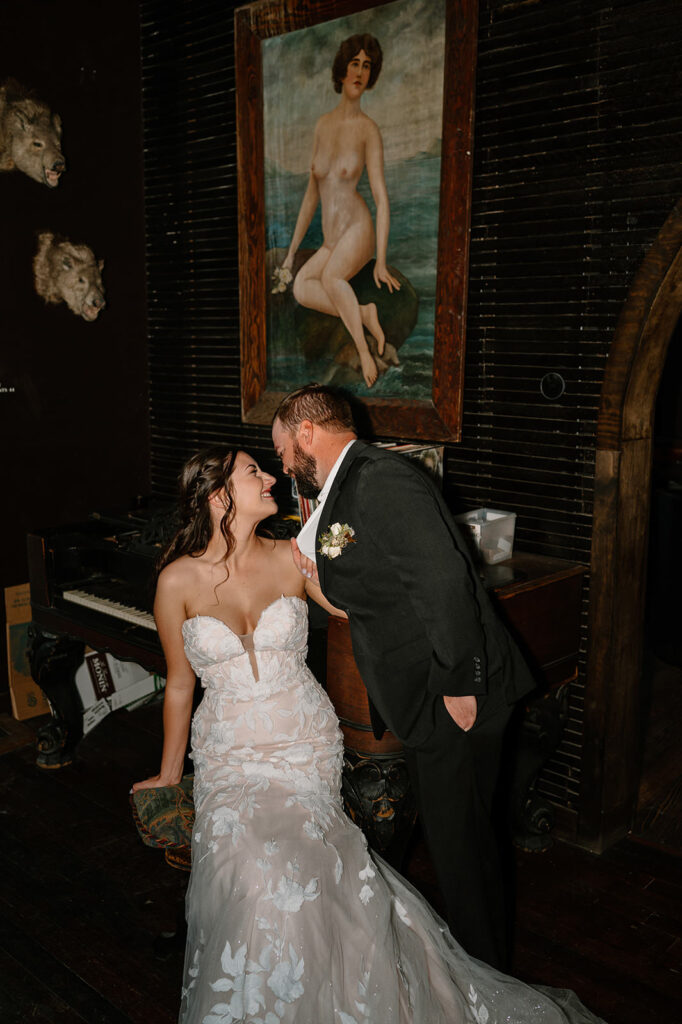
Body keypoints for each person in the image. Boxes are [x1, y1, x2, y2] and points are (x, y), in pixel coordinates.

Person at [133, 443, 606, 1024]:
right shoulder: (176, 580)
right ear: (216, 497)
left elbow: (359, 605)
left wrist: (367, 566)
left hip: (303, 745)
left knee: (304, 862)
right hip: (230, 754)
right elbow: (179, 685)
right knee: (256, 873)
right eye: (252, 472)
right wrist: (170, 772)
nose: (269, 477)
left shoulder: (291, 557)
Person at [272, 384, 537, 972]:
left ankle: (487, 985)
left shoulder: (380, 478)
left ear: (306, 432)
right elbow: (368, 593)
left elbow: (445, 583)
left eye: (283, 450)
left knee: (460, 852)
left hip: (455, 695)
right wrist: (315, 570)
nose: (283, 465)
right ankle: (485, 968)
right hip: (428, 697)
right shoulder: (346, 485)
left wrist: (460, 686)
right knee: (461, 843)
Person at [281, 33, 400, 390]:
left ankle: (363, 351)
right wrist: (289, 255)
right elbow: (310, 196)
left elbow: (381, 197)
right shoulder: (322, 125)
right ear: (342, 69)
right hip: (333, 237)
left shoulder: (368, 130)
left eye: (367, 65)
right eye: (354, 63)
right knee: (302, 287)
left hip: (358, 227)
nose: (360, 72)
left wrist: (380, 260)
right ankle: (363, 312)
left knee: (332, 279)